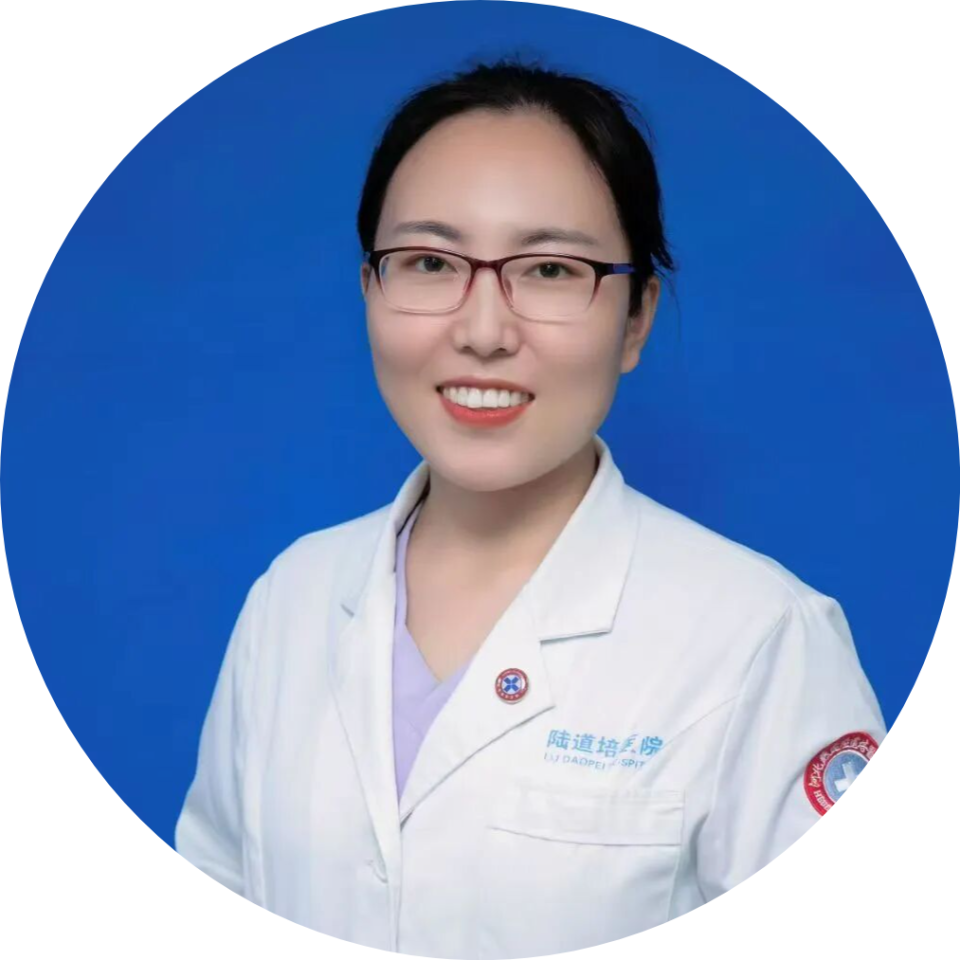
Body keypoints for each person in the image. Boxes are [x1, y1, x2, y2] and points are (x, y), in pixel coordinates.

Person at [175, 56, 886, 959]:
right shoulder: (292, 598)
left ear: (637, 317)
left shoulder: (763, 640)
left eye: (550, 268)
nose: (482, 331)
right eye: (429, 262)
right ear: (369, 289)